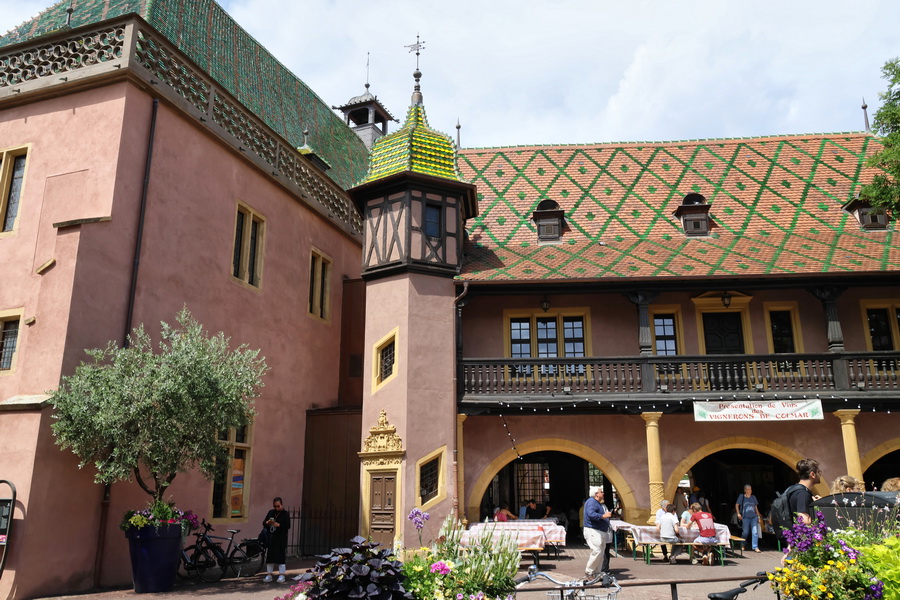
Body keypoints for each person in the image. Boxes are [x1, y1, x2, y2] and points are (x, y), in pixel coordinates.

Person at [583, 486, 613, 579]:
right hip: (593, 530)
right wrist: (604, 516)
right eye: (601, 492)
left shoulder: (597, 503)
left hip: (599, 531)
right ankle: (589, 571)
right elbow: (591, 514)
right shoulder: (591, 502)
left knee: (600, 552)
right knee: (597, 551)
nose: (603, 493)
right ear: (596, 494)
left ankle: (596, 573)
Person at [263, 497, 291, 583]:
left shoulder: (285, 514)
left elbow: (287, 526)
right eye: (275, 506)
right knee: (270, 557)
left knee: (281, 557)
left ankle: (281, 575)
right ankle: (269, 574)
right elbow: (264, 522)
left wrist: (278, 525)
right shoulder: (271, 512)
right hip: (272, 537)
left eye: (278, 506)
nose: (276, 508)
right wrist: (267, 523)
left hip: (281, 538)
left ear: (281, 505)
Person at [734, 484, 763, 553]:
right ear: (745, 490)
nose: (750, 490)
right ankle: (743, 544)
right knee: (745, 532)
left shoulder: (753, 497)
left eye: (751, 489)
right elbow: (737, 505)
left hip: (754, 517)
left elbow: (756, 508)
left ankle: (755, 547)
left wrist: (759, 516)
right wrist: (738, 513)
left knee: (755, 532)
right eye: (748, 489)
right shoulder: (742, 497)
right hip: (745, 517)